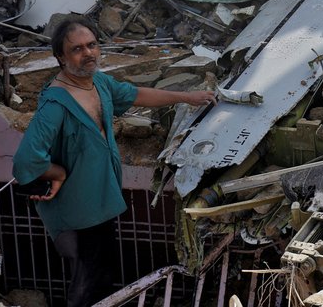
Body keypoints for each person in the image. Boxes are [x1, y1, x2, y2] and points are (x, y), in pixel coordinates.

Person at [12, 16, 215, 306]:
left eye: (92, 45)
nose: (88, 53)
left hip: (102, 201)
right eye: (77, 49)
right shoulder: (55, 104)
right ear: (60, 57)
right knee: (85, 285)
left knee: (102, 278)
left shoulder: (98, 83)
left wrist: (187, 97)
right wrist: (56, 172)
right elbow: (25, 161)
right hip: (77, 210)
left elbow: (135, 94)